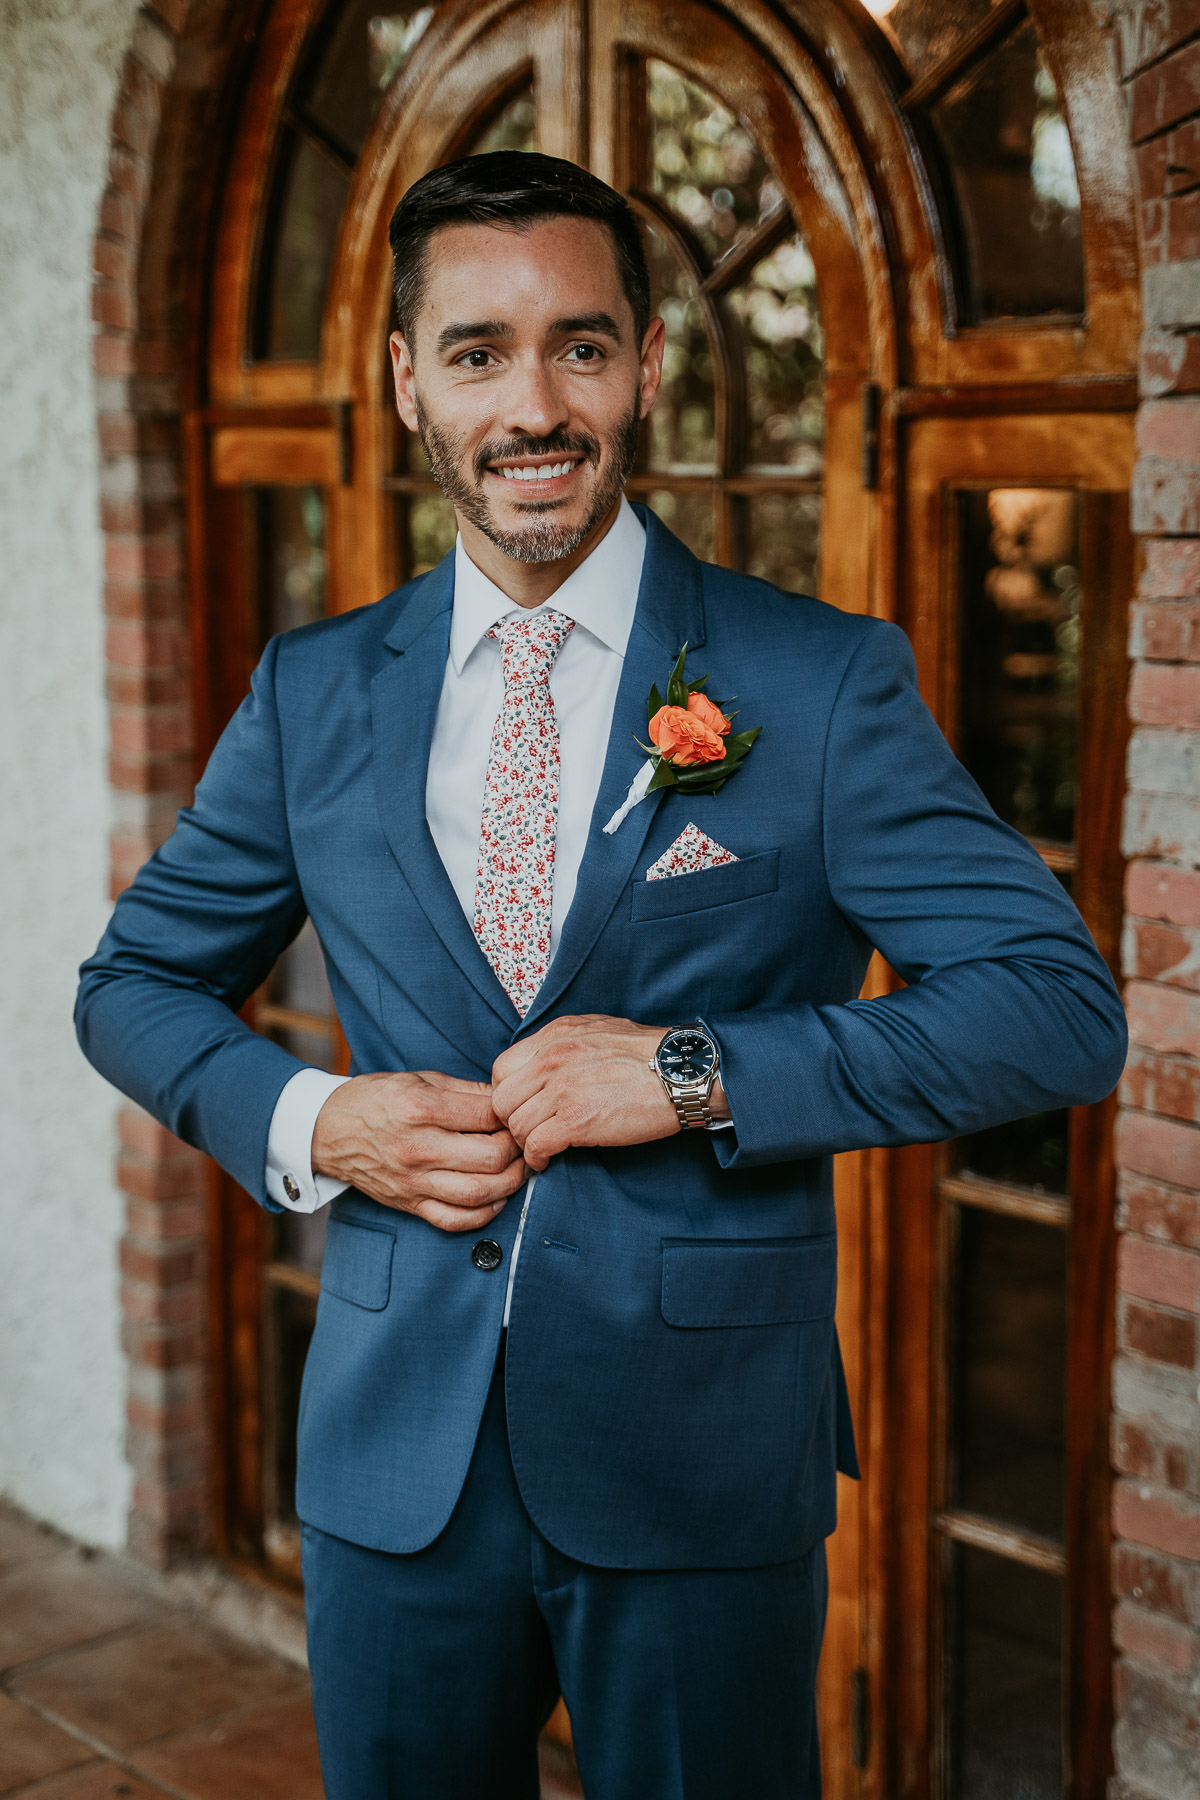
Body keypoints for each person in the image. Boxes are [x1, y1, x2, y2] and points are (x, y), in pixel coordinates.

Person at [76, 151, 1127, 1799]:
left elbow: (1056, 1008)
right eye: (480, 350)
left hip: (698, 1457)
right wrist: (317, 1118)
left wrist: (696, 1071)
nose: (534, 402)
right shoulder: (314, 691)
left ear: (643, 363)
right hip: (390, 1454)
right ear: (409, 379)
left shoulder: (818, 678)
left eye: (579, 343)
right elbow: (132, 983)